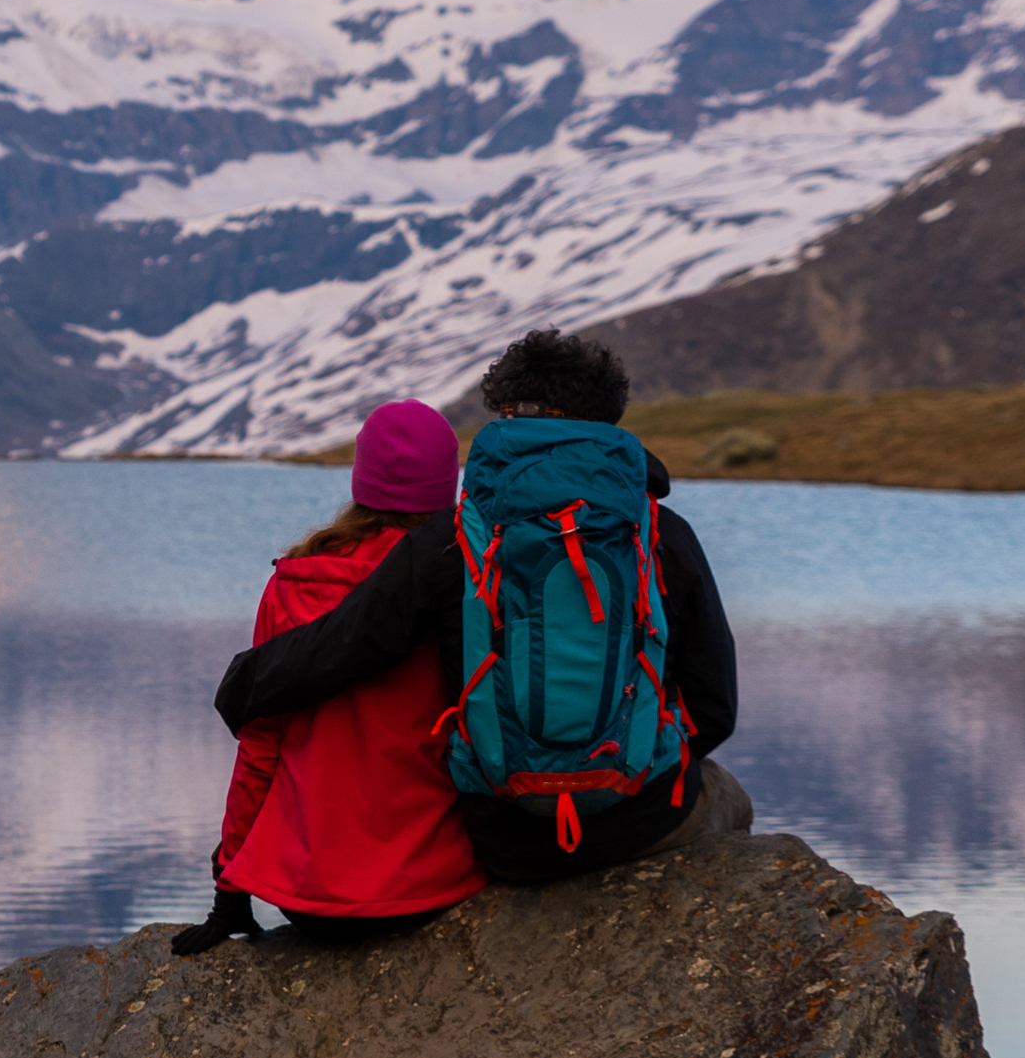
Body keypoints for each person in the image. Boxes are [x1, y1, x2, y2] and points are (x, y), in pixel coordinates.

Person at [210, 327, 743, 886]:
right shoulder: (660, 531)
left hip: (506, 836)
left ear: (507, 416)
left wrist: (244, 684)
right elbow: (714, 710)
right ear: (605, 422)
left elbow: (344, 646)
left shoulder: (459, 537)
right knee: (729, 797)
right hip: (641, 815)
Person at [171, 399, 488, 955]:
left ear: (360, 479)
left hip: (308, 898)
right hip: (435, 887)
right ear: (446, 484)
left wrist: (230, 884)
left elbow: (261, 745)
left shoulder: (293, 583)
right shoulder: (467, 578)